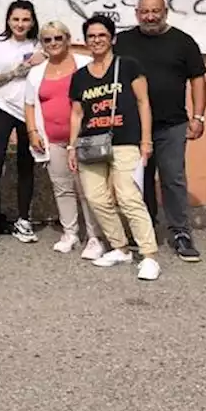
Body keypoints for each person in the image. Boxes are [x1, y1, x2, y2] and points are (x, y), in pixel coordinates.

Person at [114, 0, 206, 261]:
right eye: (145, 12)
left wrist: (198, 117)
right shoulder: (123, 41)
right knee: (137, 181)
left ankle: (180, 232)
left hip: (172, 125)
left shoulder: (183, 41)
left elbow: (199, 80)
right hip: (132, 126)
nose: (150, 17)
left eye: (155, 11)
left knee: (173, 179)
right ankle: (144, 229)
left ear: (165, 11)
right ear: (136, 13)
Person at [66, 15, 161, 281]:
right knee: (96, 198)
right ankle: (120, 247)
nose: (96, 40)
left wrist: (146, 140)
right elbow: (76, 114)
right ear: (86, 42)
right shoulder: (80, 77)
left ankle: (150, 255)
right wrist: (71, 146)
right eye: (91, 37)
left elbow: (143, 102)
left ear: (112, 39)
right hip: (90, 144)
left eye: (101, 36)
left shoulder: (128, 66)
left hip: (125, 141)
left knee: (129, 197)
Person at [23, 21, 103, 258]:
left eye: (58, 38)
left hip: (83, 138)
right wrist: (32, 132)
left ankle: (94, 237)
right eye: (47, 40)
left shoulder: (84, 64)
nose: (53, 43)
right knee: (62, 187)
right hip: (52, 140)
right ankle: (70, 232)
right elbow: (29, 105)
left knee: (87, 188)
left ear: (67, 39)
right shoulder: (37, 72)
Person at [0, 0, 44, 245]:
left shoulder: (39, 46)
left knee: (27, 165)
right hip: (0, 106)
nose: (20, 24)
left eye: (25, 20)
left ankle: (23, 219)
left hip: (29, 111)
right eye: (16, 19)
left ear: (32, 22)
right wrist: (20, 70)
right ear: (8, 20)